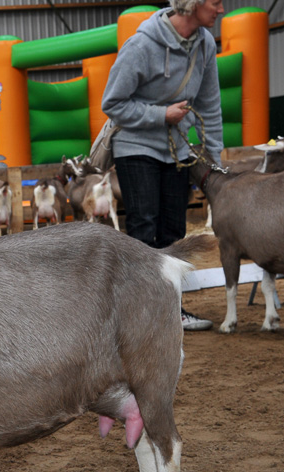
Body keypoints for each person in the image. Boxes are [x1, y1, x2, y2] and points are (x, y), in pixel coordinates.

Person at [101, 0, 225, 331]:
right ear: (193, 4)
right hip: (136, 147)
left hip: (178, 150)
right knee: (144, 231)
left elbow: (210, 105)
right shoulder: (142, 44)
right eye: (215, 2)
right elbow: (112, 103)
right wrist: (161, 115)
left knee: (174, 231)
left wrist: (215, 159)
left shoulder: (206, 45)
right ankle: (140, 317)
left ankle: (172, 312)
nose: (222, 9)